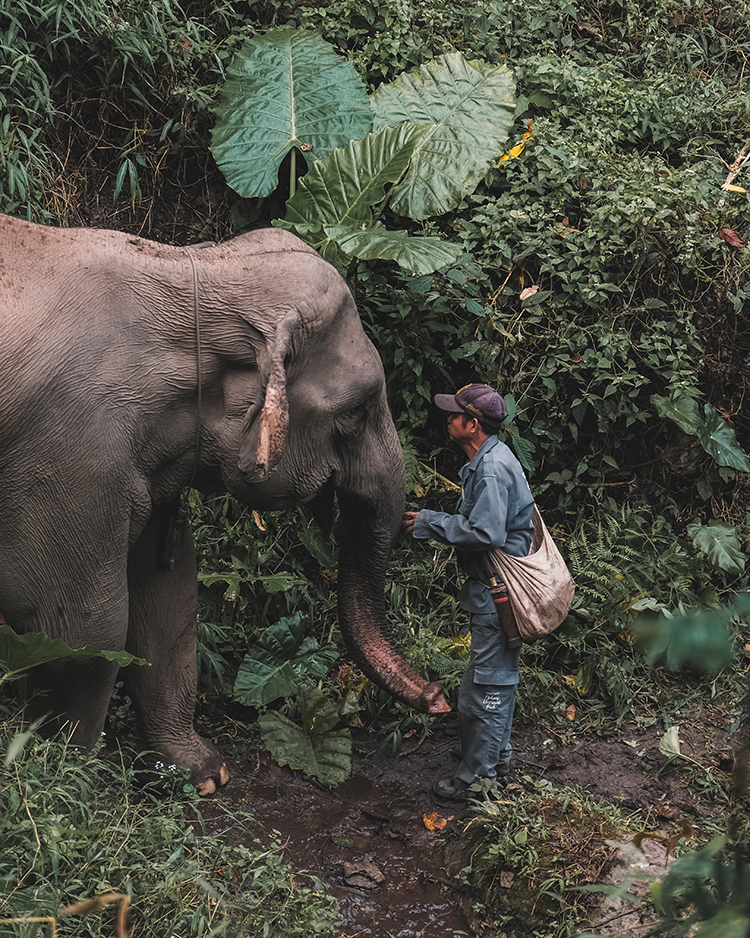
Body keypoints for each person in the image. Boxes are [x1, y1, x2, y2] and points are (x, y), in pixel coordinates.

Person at [403, 383, 535, 800]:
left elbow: (486, 531)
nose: (448, 419)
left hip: (498, 597)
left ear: (472, 424)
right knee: (493, 682)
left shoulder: (492, 469)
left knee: (485, 688)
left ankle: (477, 781)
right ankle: (495, 760)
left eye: (454, 414)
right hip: (493, 594)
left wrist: (431, 522)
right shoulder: (488, 461)